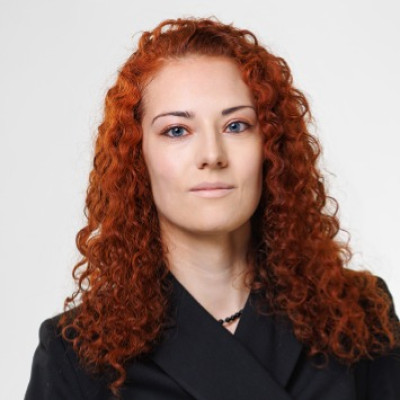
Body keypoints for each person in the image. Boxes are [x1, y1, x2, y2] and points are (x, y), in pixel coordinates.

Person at [24, 16, 400, 400]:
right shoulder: (79, 354)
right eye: (176, 130)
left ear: (271, 147)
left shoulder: (358, 315)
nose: (212, 155)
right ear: (138, 157)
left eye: (236, 126)